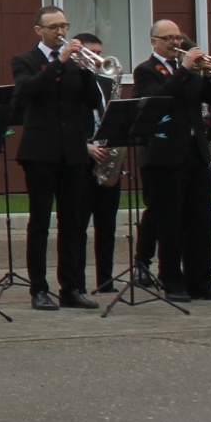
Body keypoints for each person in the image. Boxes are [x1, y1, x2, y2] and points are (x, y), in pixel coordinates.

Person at [9, 6, 106, 310]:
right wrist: (60, 64)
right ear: (39, 30)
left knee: (74, 223)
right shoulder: (25, 60)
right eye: (54, 27)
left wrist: (89, 73)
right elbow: (28, 91)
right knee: (40, 222)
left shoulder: (79, 63)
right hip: (40, 151)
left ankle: (72, 287)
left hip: (73, 151)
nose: (61, 32)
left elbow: (91, 101)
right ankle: (39, 289)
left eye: (64, 26)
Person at [131, 21, 211, 303]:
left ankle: (200, 281)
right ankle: (172, 281)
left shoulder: (191, 70)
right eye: (168, 38)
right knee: (169, 221)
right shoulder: (146, 70)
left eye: (177, 37)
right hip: (163, 155)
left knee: (199, 220)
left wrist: (209, 75)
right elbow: (159, 99)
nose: (175, 42)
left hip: (195, 152)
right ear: (154, 42)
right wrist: (186, 68)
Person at [74, 32, 124, 294]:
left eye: (99, 53)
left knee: (107, 226)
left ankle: (106, 281)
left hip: (107, 159)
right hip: (82, 159)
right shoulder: (71, 82)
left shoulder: (106, 83)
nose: (97, 58)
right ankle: (77, 283)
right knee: (78, 227)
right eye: (90, 53)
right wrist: (85, 146)